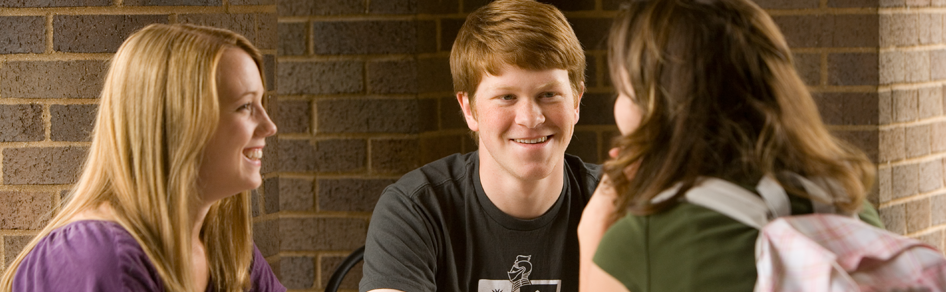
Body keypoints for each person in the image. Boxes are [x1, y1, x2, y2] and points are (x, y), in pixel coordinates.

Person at [576, 0, 886, 291]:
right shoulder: (852, 211)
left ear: (660, 108)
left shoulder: (641, 242)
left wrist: (591, 233)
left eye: (626, 92)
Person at [0, 24, 285, 292]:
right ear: (177, 123)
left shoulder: (224, 246)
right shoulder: (98, 259)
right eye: (245, 106)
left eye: (261, 103)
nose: (269, 126)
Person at [359, 1, 599, 291]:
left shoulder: (619, 203)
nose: (530, 118)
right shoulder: (415, 209)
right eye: (507, 97)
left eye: (548, 94)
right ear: (469, 109)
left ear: (576, 102)